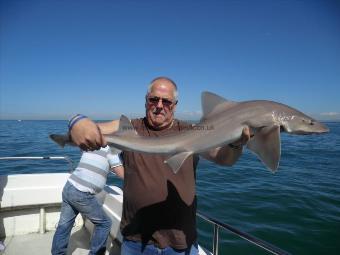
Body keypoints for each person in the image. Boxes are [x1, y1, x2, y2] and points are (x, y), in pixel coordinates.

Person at [68, 77, 250, 255]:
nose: (159, 105)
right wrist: (76, 121)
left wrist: (235, 144)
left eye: (167, 101)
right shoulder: (129, 127)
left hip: (180, 242)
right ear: (146, 101)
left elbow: (224, 159)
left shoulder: (193, 132)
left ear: (175, 105)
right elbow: (91, 129)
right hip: (135, 240)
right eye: (154, 99)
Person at [51, 146, 124, 255]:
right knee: (105, 223)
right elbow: (121, 173)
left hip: (69, 186)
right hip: (82, 194)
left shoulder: (92, 145)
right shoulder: (112, 150)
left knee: (64, 225)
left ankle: (57, 253)